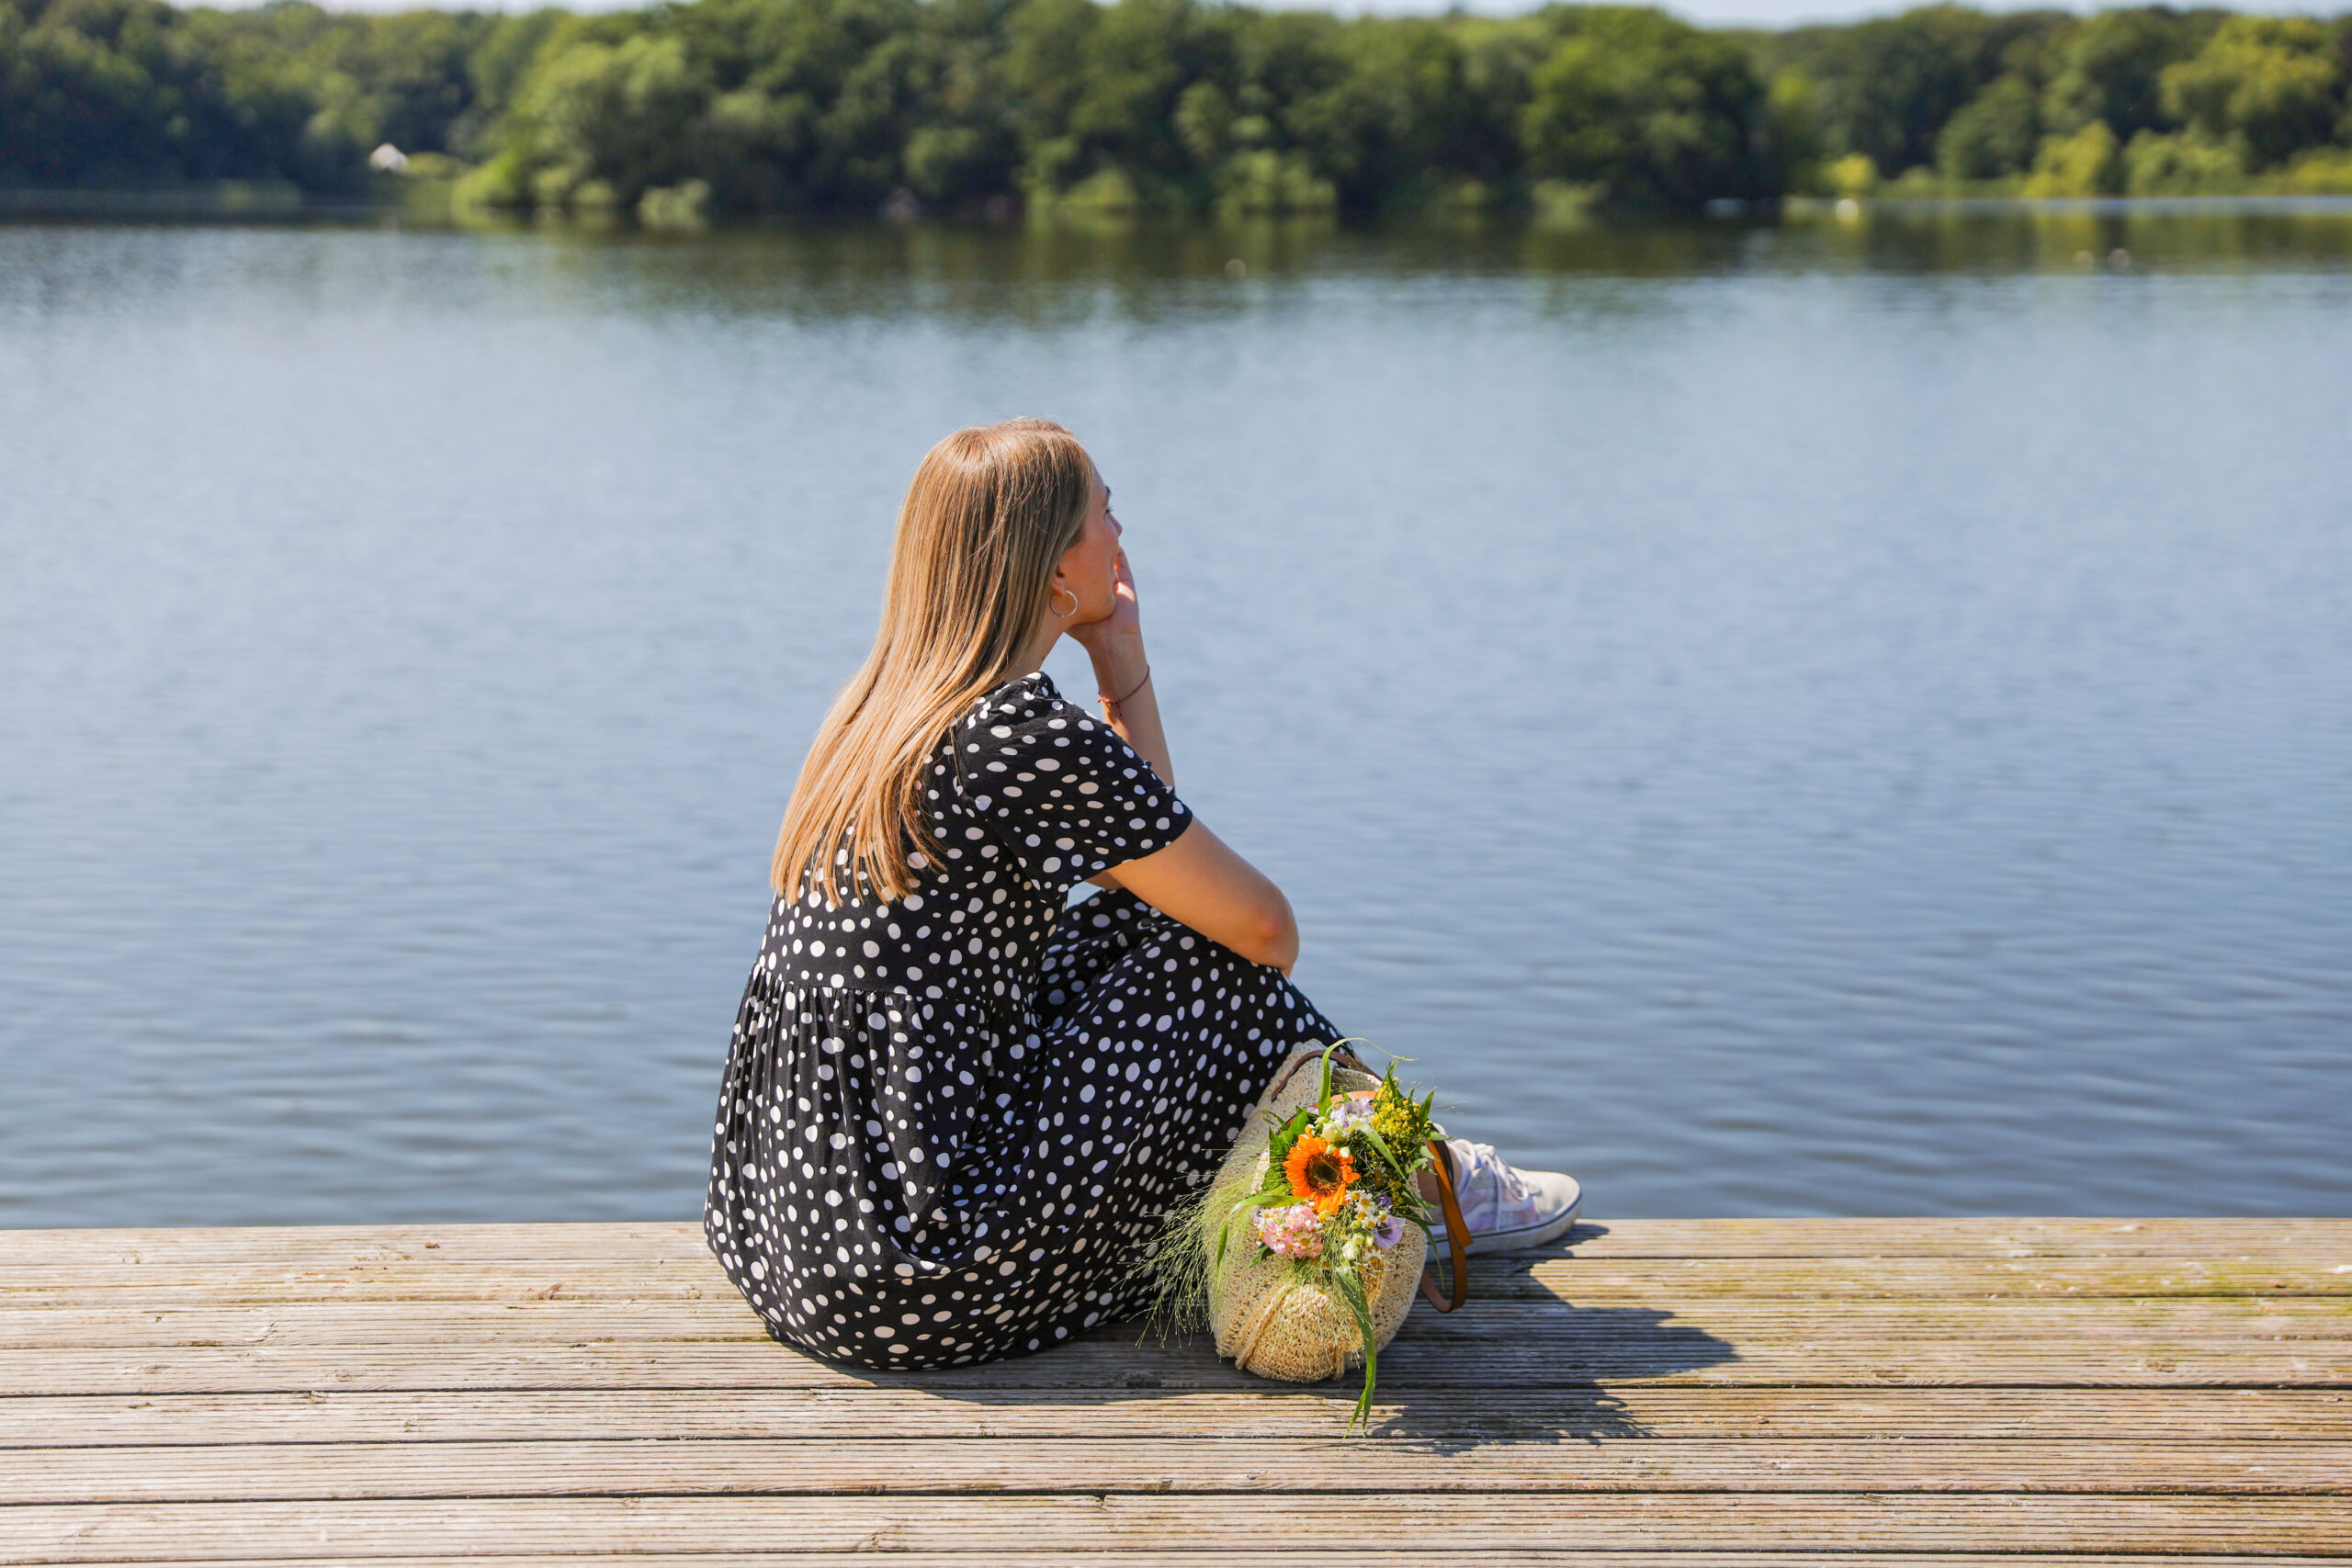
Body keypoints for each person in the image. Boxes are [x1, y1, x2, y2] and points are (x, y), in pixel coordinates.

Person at [705, 418, 1578, 1371]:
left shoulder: (883, 711)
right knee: (1223, 967)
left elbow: (1136, 857)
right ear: (1049, 567)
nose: (1121, 537)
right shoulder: (1017, 733)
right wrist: (1119, 670)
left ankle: (1381, 1164)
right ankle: (1404, 1170)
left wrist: (1118, 661)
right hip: (925, 1271)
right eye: (1105, 516)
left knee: (1147, 922)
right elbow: (1265, 930)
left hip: (797, 1252)